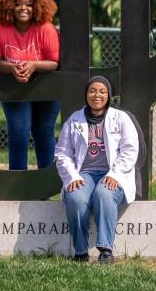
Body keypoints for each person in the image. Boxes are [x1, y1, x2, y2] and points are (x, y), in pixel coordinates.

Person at [55, 76, 139, 263]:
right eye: (92, 91)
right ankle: (80, 252)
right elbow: (62, 153)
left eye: (102, 91)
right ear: (86, 94)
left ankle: (106, 250)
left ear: (109, 95)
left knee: (104, 194)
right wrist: (71, 177)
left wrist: (115, 175)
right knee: (75, 197)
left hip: (112, 172)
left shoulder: (121, 118)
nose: (97, 95)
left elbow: (130, 150)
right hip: (83, 174)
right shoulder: (74, 120)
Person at [0, 0, 60, 170]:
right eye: (17, 3)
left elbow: (54, 62)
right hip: (14, 87)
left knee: (44, 132)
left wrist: (34, 65)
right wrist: (11, 68)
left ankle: (45, 186)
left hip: (47, 87)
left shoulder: (46, 28)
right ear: (8, 5)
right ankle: (17, 185)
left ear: (37, 6)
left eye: (29, 4)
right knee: (19, 132)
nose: (23, 8)